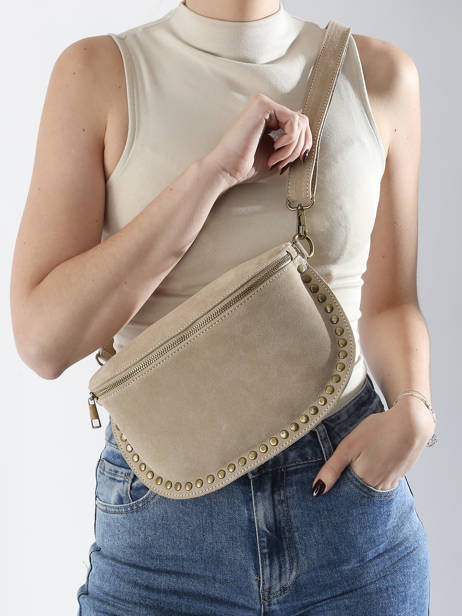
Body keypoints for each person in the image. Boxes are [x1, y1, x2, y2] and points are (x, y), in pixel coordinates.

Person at [11, 1, 436, 613]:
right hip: (161, 527)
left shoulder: (381, 74)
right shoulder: (99, 73)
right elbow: (43, 343)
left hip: (348, 510)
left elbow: (392, 302)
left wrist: (416, 409)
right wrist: (212, 175)